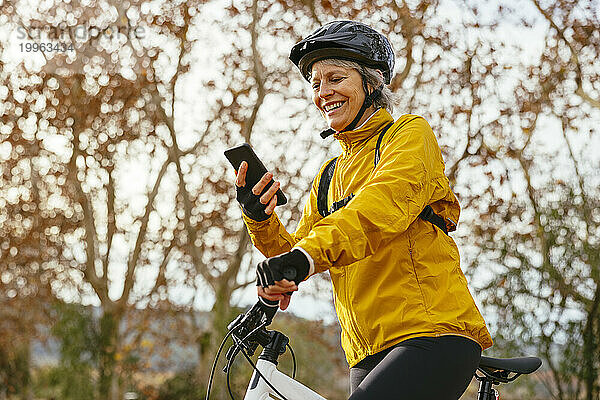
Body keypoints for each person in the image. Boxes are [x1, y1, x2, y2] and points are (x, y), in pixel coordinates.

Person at [233, 20, 493, 399]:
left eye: (336, 78)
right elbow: (299, 253)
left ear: (371, 84)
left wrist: (303, 257)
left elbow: (380, 207)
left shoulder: (407, 135)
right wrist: (260, 218)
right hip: (366, 351)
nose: (323, 93)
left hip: (432, 333)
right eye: (316, 84)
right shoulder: (328, 175)